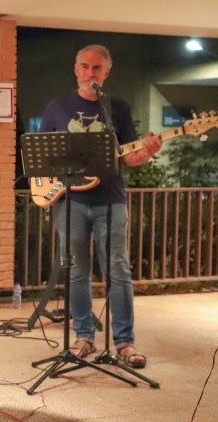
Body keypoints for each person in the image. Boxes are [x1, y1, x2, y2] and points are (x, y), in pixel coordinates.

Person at [38, 44, 161, 368]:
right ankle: (83, 336)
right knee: (77, 271)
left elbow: (129, 155)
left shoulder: (116, 107)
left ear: (106, 72)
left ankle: (124, 342)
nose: (89, 72)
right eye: (84, 66)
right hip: (70, 201)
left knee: (118, 270)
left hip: (111, 200)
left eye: (96, 68)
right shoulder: (57, 107)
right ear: (75, 69)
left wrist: (147, 151)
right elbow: (41, 153)